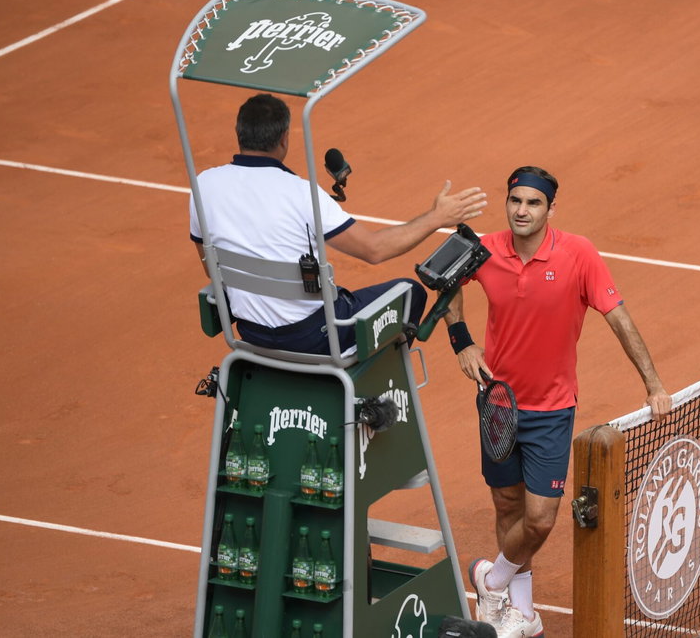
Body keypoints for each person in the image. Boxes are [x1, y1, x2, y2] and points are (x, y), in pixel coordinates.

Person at [443, 166, 673, 637]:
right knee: (508, 506)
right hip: (498, 403)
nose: (522, 210)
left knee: (540, 519)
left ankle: (493, 580)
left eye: (533, 203)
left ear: (550, 209)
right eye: (515, 201)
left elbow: (619, 318)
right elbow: (445, 284)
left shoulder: (578, 254)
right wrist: (462, 341)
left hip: (550, 409)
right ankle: (523, 614)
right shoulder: (483, 249)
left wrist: (653, 383)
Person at [189, 93, 486, 355]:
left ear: (239, 134)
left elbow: (212, 268)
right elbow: (374, 250)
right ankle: (365, 395)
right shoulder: (302, 193)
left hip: (251, 333)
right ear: (283, 139)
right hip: (312, 338)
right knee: (411, 292)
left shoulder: (203, 184)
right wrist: (437, 217)